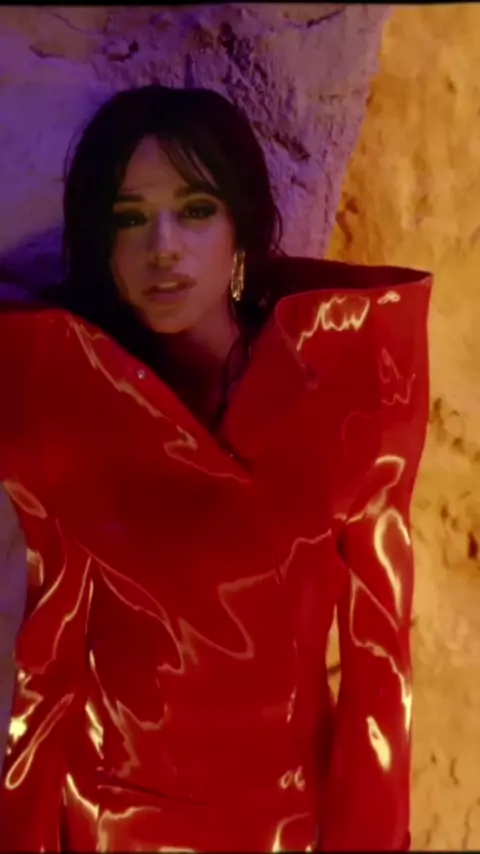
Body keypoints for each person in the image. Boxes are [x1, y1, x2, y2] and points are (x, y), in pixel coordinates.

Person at [0, 84, 432, 852]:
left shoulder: (347, 386)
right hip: (111, 824)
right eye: (129, 218)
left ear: (242, 227)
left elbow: (380, 667)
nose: (162, 246)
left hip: (283, 826)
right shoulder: (69, 396)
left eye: (195, 210)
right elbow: (47, 670)